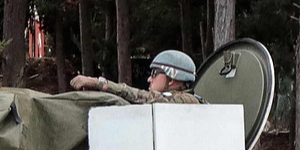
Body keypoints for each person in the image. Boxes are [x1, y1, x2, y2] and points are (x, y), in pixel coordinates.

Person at [70, 49, 202, 104]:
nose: (149, 79)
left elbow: (147, 97)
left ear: (172, 78)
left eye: (154, 73)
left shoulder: (187, 101)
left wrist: (100, 83)